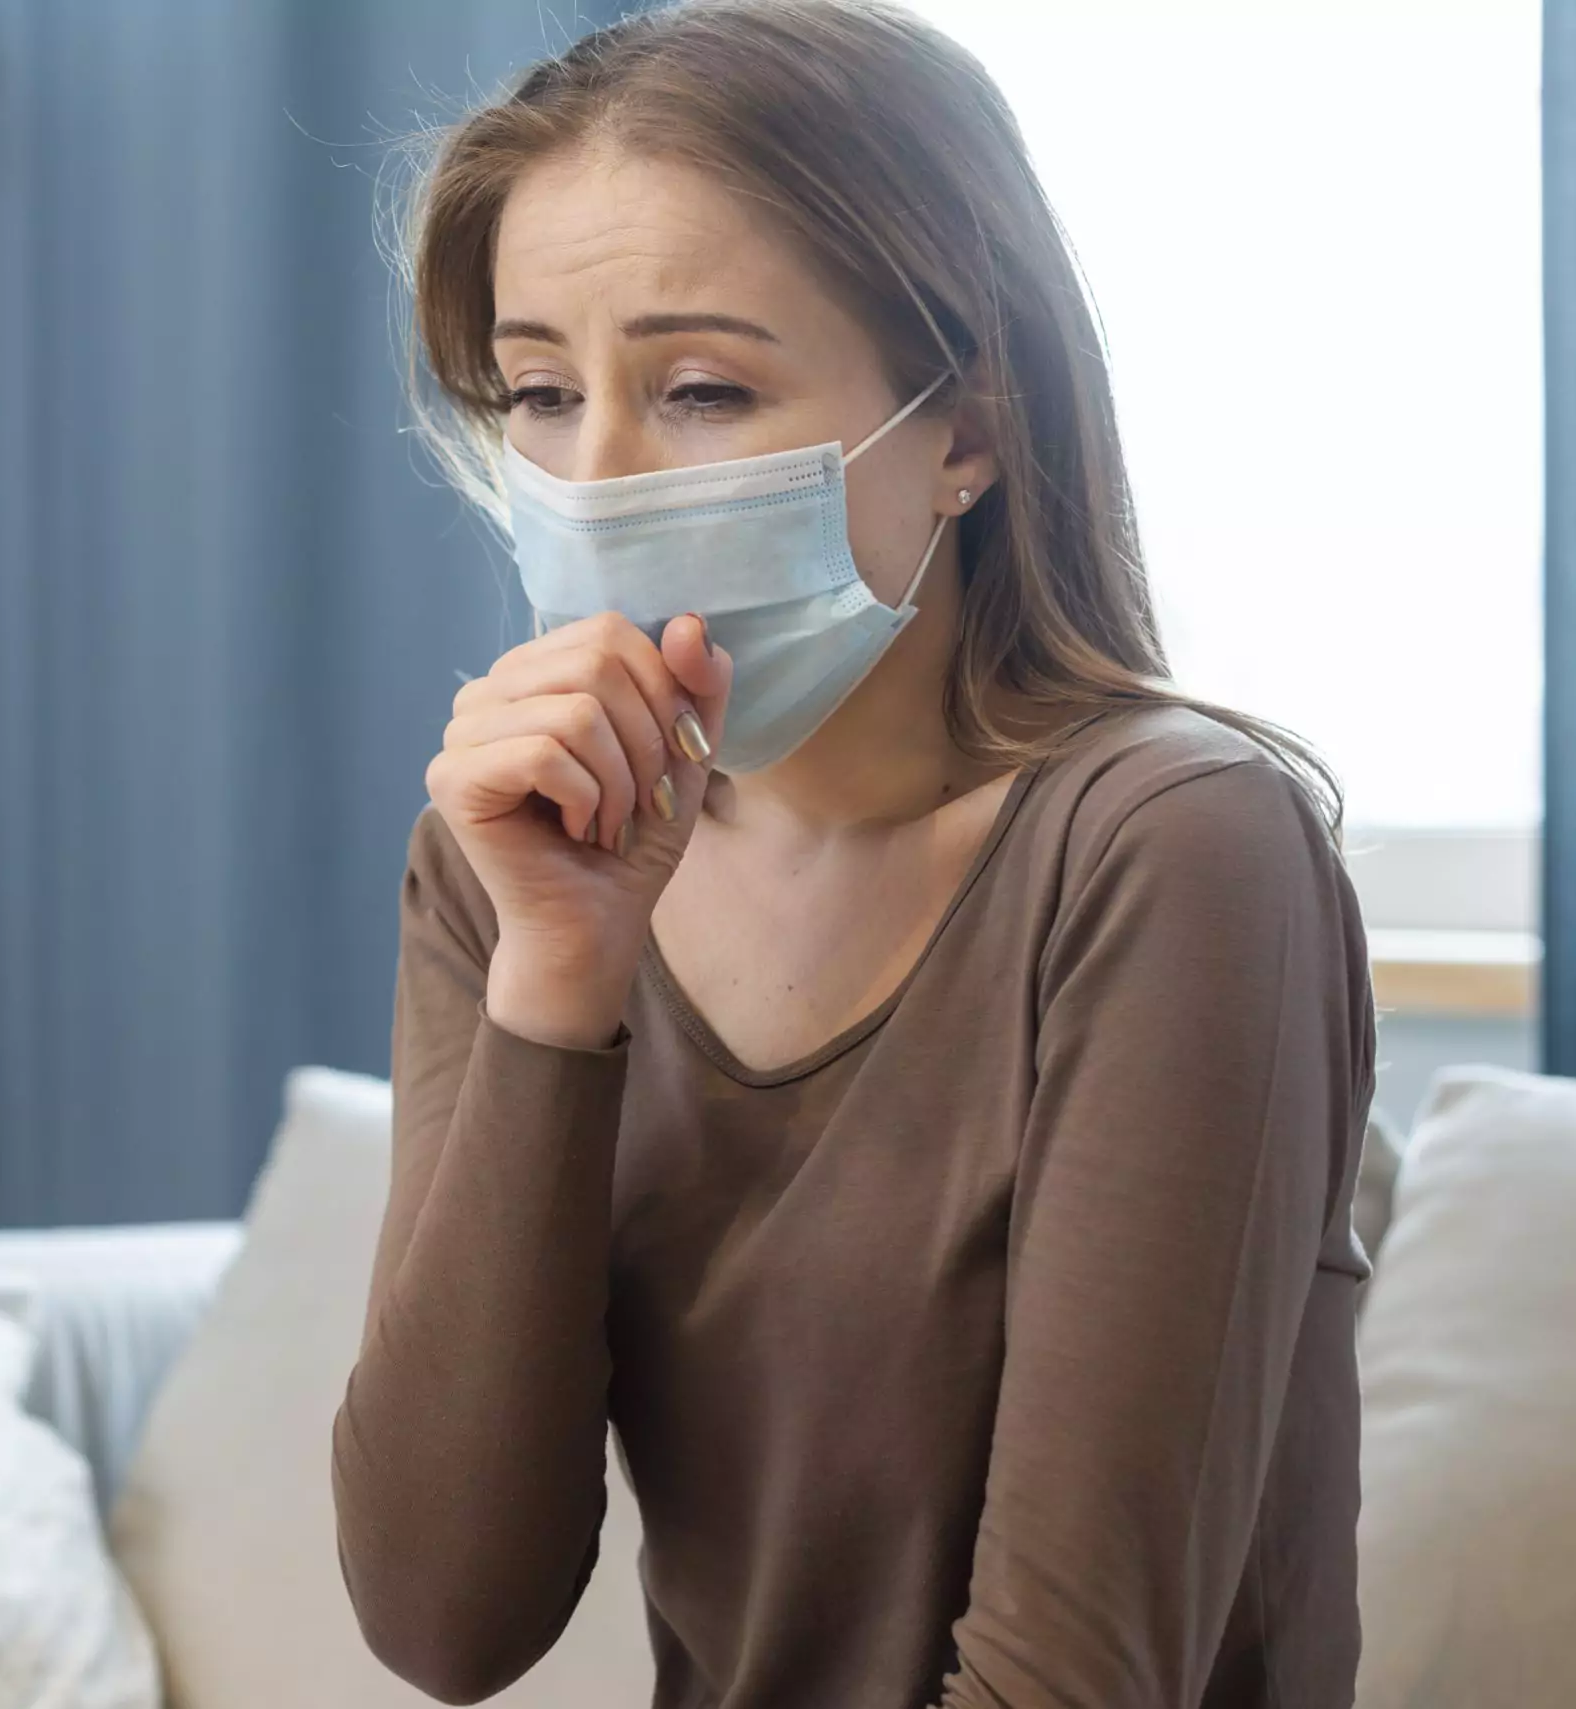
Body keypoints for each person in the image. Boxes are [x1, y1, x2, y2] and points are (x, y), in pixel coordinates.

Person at [329, 4, 1377, 1707]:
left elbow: (1077, 1681)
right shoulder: (502, 871)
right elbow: (447, 1621)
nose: (591, 482)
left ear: (964, 429)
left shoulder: (1176, 851)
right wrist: (559, 984)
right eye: (537, 390)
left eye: (699, 389)